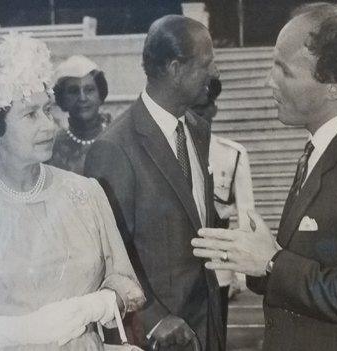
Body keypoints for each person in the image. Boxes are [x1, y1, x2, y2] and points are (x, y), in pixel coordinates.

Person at [192, 4, 337, 350]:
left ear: (333, 85)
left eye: (284, 69)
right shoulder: (330, 146)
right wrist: (256, 260)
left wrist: (273, 262)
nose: (269, 80)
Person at [0, 34, 145, 350]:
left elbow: (127, 284)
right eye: (30, 115)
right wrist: (18, 331)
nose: (49, 126)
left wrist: (97, 305)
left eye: (48, 111)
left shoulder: (86, 194)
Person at [85, 15, 224, 351]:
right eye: (207, 64)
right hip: (157, 337)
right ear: (176, 68)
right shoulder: (114, 148)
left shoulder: (197, 129)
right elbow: (104, 255)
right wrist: (155, 318)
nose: (215, 74)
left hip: (207, 326)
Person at [191, 77, 255, 341]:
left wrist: (240, 273)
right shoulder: (171, 152)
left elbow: (246, 218)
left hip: (218, 267)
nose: (198, 115)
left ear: (214, 108)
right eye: (192, 109)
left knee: (215, 340)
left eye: (204, 108)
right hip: (180, 271)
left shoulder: (232, 154)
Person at [48, 55, 112, 175]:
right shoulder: (52, 147)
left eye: (89, 90)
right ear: (62, 98)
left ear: (100, 94)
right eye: (73, 91)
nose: (82, 98)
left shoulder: (116, 136)